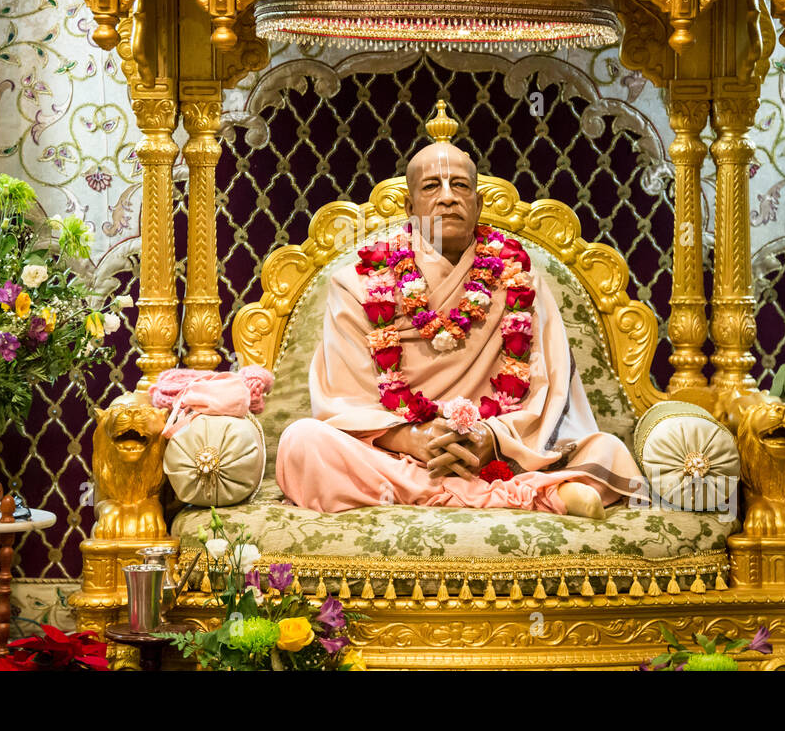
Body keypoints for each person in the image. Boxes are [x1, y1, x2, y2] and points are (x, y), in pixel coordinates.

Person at [275, 139, 646, 518]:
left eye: (461, 185)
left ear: (478, 204)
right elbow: (346, 398)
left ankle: (443, 491)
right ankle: (532, 497)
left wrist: (493, 438)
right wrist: (416, 439)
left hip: (498, 450)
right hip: (394, 452)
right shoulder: (355, 285)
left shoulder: (521, 278)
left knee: (605, 450)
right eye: (432, 186)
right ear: (409, 206)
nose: (448, 197)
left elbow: (545, 388)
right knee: (302, 442)